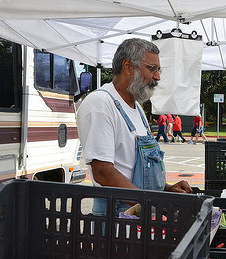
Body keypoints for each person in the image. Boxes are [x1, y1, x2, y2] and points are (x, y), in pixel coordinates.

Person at [77, 38, 192, 215]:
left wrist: (167, 189)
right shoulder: (101, 104)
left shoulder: (136, 107)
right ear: (128, 66)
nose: (157, 77)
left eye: (159, 70)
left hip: (141, 211)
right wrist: (151, 204)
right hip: (117, 218)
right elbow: (102, 171)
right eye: (152, 68)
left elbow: (130, 168)